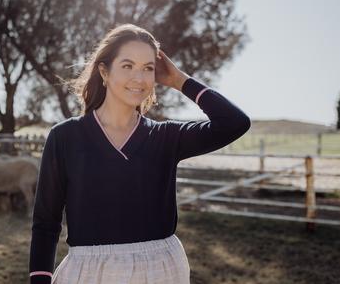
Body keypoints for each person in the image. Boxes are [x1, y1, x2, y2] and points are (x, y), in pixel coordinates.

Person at [28, 23, 251, 284]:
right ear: (104, 71)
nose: (139, 78)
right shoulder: (65, 137)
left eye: (148, 68)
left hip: (162, 271)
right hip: (89, 273)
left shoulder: (166, 137)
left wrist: (180, 81)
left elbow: (235, 123)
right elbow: (46, 223)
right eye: (127, 66)